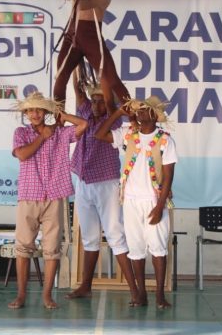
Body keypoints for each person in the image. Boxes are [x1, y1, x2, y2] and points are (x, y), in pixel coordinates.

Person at [94, 96, 177, 309]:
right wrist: (118, 114)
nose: (139, 113)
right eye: (138, 110)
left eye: (144, 110)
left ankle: (159, 295)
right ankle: (141, 294)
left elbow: (168, 177)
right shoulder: (127, 134)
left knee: (158, 248)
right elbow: (99, 134)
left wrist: (159, 206)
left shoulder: (165, 140)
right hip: (130, 201)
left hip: (153, 201)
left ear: (154, 116)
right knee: (136, 248)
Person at [65, 74, 141, 305]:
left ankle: (135, 291)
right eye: (94, 100)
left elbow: (109, 101)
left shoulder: (114, 120)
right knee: (89, 237)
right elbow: (79, 91)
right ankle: (86, 286)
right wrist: (78, 63)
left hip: (106, 183)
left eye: (101, 100)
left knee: (115, 235)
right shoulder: (86, 113)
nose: (96, 104)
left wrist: (103, 76)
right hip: (83, 181)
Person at [8, 91, 88, 310]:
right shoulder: (21, 132)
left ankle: (47, 296)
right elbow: (23, 155)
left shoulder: (60, 133)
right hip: (29, 195)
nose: (35, 114)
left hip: (54, 196)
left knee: (52, 248)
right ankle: (22, 294)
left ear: (46, 112)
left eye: (39, 109)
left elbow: (83, 125)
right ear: (25, 113)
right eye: (31, 110)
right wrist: (42, 137)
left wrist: (64, 116)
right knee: (23, 247)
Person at [53, 0, 130, 115]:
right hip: (72, 36)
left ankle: (133, 119)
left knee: (112, 79)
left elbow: (83, 5)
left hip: (91, 37)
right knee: (59, 79)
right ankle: (58, 122)